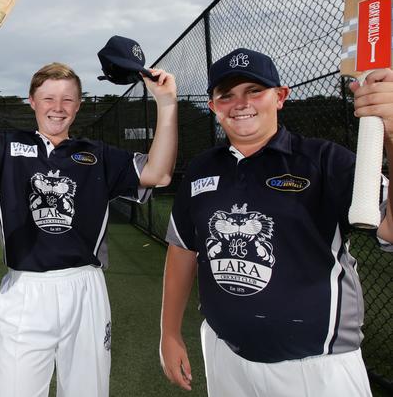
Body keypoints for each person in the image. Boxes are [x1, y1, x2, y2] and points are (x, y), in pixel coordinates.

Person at [0, 43, 178, 397]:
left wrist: (166, 103)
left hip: (85, 286)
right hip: (24, 289)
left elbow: (158, 174)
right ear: (31, 102)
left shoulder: (95, 154)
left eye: (68, 99)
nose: (58, 108)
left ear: (78, 106)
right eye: (48, 98)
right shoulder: (7, 146)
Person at [159, 48, 393, 397]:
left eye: (254, 90)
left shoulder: (325, 160)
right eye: (227, 95)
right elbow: (182, 249)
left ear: (281, 97)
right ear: (213, 107)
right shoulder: (201, 169)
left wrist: (391, 137)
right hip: (225, 354)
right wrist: (170, 333)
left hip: (317, 367)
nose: (241, 103)